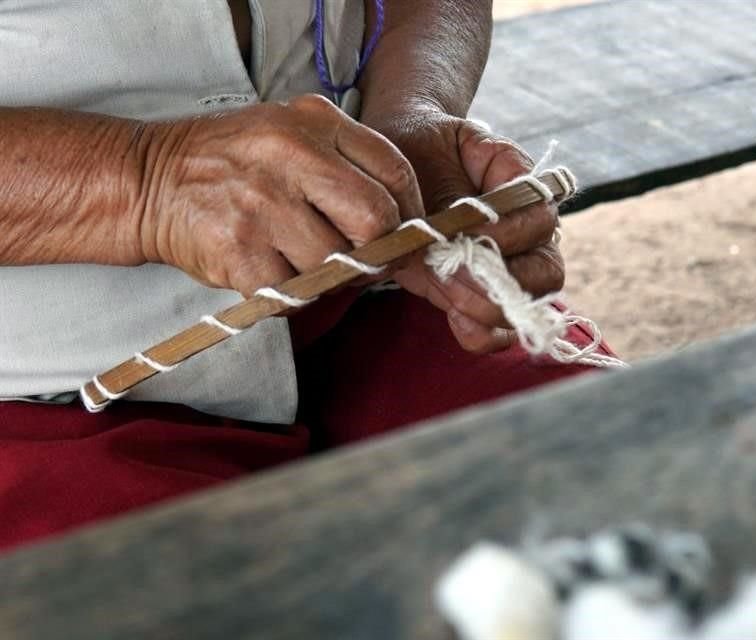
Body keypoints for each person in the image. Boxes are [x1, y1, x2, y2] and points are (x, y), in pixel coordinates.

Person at [0, 0, 614, 552]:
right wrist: (146, 183)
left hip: (360, 289)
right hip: (45, 397)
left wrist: (410, 115)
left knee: (633, 487)